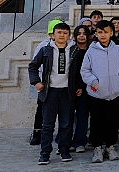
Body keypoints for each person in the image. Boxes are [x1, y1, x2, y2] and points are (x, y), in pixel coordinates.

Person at [28, 22, 78, 165]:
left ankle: (64, 151)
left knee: (66, 124)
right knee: (47, 125)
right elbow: (33, 66)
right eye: (59, 32)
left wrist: (78, 87)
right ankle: (45, 154)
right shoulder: (45, 50)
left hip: (67, 93)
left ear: (69, 36)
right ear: (53, 35)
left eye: (65, 33)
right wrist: (36, 82)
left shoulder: (74, 50)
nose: (62, 35)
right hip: (50, 92)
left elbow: (80, 71)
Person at [80, 20, 119, 163]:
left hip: (114, 93)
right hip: (96, 94)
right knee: (97, 121)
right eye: (100, 32)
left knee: (112, 121)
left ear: (112, 33)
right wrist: (94, 82)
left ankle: (110, 146)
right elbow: (85, 70)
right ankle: (97, 147)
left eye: (106, 32)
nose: (103, 35)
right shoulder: (91, 50)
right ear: (96, 33)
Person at [29, 19, 63, 147]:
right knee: (41, 110)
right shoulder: (43, 46)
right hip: (45, 84)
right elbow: (35, 65)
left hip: (60, 85)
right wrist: (37, 82)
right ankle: (37, 133)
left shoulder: (67, 45)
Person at [69, 25, 91, 152]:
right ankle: (67, 141)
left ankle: (80, 142)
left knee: (83, 116)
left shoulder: (91, 51)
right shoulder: (70, 50)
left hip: (86, 88)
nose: (81, 36)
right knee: (68, 116)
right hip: (70, 88)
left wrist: (82, 87)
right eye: (79, 33)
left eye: (84, 33)